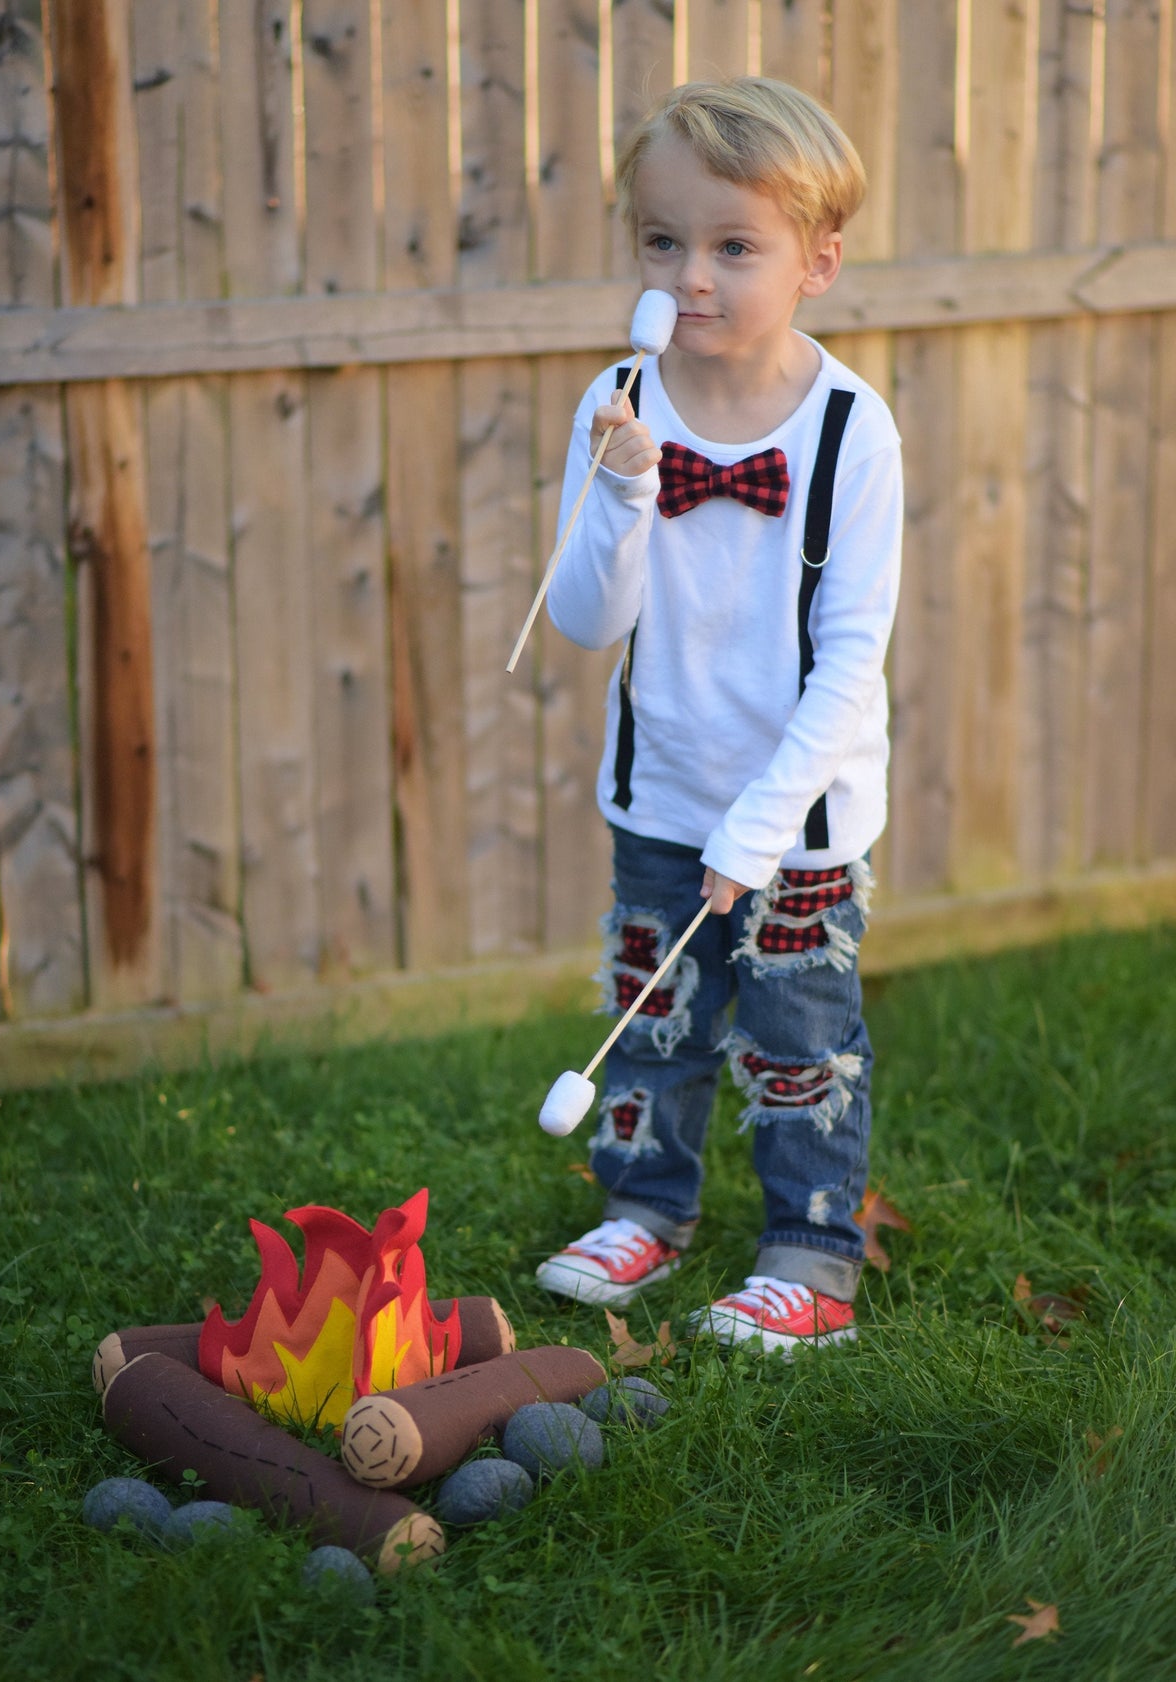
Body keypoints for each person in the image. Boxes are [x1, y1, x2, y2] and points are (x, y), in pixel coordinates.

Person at [535, 76, 903, 1355]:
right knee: (657, 1011)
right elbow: (586, 618)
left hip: (799, 809)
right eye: (662, 239)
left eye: (735, 247)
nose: (692, 275)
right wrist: (623, 494)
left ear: (817, 263)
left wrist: (769, 816)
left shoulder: (853, 430)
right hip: (662, 783)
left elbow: (852, 654)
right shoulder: (618, 401)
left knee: (800, 1029)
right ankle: (647, 1204)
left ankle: (810, 1249)